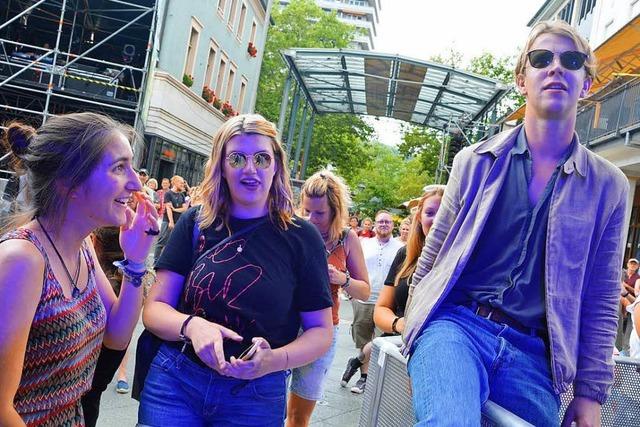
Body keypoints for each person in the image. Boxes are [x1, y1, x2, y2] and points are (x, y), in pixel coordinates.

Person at [403, 20, 629, 426]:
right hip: (457, 329)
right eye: (542, 58)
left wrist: (590, 394)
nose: (556, 67)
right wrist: (416, 338)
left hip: (534, 358)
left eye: (572, 60)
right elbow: (431, 260)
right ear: (522, 79)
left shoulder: (608, 187)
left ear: (587, 85)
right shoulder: (473, 162)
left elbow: (601, 298)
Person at [138, 114, 334, 426]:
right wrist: (192, 326)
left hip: (255, 395)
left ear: (277, 165)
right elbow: (155, 310)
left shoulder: (301, 237)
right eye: (237, 158)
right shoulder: (194, 222)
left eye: (261, 158)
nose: (250, 169)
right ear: (222, 166)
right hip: (176, 382)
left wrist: (274, 361)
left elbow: (321, 331)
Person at [0, 112, 158, 426]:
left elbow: (115, 336)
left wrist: (137, 260)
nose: (137, 183)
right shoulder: (22, 260)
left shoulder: (82, 246)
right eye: (118, 168)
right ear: (68, 183)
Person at [287, 170, 370, 427]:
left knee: (299, 416)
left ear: (335, 211)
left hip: (322, 329)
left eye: (319, 213)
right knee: (269, 407)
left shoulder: (347, 238)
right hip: (282, 325)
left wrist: (341, 279)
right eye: (307, 211)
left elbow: (364, 291)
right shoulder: (292, 229)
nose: (311, 219)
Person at [341, 210, 403, 394]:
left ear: (393, 225)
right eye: (380, 221)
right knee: (363, 338)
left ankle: (363, 369)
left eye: (387, 222)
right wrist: (350, 289)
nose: (384, 224)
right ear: (375, 224)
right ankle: (364, 377)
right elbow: (349, 265)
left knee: (380, 342)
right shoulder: (363, 244)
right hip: (363, 299)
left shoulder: (400, 247)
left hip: (386, 303)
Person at [374, 186, 444, 336]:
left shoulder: (465, 261)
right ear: (420, 218)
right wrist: (398, 324)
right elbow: (381, 309)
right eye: (430, 213)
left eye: (445, 213)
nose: (437, 220)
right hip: (398, 343)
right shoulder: (405, 254)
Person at [154, 175, 187, 259]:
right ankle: (155, 261)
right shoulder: (168, 193)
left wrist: (175, 209)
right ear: (175, 182)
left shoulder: (182, 195)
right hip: (167, 221)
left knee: (174, 243)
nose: (183, 184)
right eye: (181, 182)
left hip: (178, 221)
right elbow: (168, 209)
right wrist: (171, 222)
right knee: (162, 241)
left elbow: (184, 209)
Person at [616, 258, 639, 356]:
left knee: (628, 329)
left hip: (630, 305)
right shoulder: (622, 274)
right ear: (628, 264)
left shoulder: (637, 278)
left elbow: (636, 293)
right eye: (631, 264)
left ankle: (623, 350)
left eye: (635, 264)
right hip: (624, 304)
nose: (632, 266)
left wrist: (625, 290)